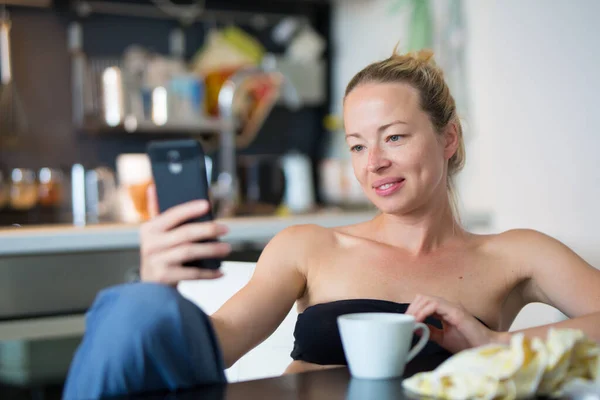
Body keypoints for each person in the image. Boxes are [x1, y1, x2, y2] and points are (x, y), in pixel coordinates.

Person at [63, 48, 600, 398]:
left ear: (449, 138)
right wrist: (161, 286)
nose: (374, 164)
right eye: (358, 146)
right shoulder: (309, 246)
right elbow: (221, 341)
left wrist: (491, 344)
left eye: (394, 137)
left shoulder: (513, 254)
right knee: (136, 307)